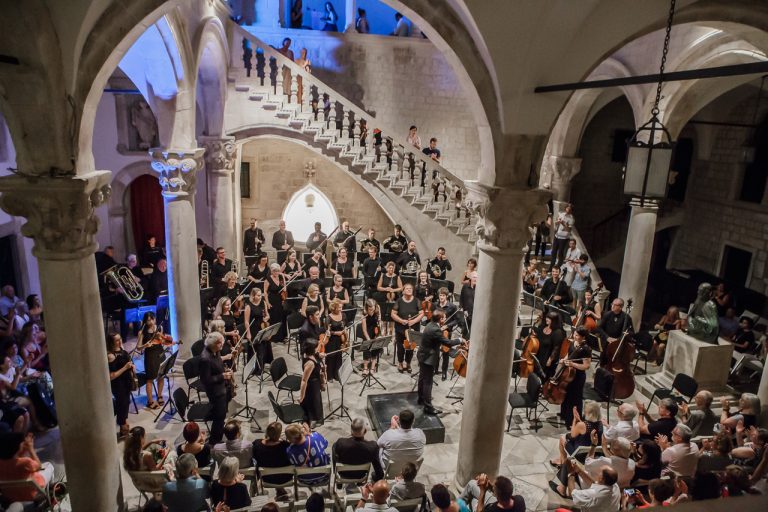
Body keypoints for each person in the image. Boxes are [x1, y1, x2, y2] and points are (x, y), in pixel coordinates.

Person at [417, 309, 461, 415]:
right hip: (428, 358)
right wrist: (460, 340)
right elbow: (448, 343)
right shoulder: (436, 330)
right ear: (440, 319)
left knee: (422, 378)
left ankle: (421, 399)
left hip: (422, 355)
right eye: (444, 317)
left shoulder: (430, 325)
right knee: (428, 382)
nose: (445, 319)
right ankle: (428, 407)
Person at [0, 432, 55, 502]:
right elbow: (38, 466)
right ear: (18, 447)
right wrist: (30, 448)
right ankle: (50, 489)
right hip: (31, 494)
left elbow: (13, 461)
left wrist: (20, 451)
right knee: (49, 465)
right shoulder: (25, 462)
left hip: (11, 495)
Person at [199, 332, 233, 445]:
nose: (222, 345)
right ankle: (215, 440)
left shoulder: (215, 351)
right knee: (219, 417)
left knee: (221, 414)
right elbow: (206, 380)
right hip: (215, 392)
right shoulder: (205, 359)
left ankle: (219, 430)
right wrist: (222, 376)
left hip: (222, 387)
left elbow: (218, 365)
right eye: (219, 343)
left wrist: (225, 371)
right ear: (213, 344)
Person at [559, 327, 593, 427]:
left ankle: (573, 421)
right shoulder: (573, 342)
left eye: (577, 335)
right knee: (566, 395)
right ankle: (565, 415)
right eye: (574, 334)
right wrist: (564, 360)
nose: (574, 336)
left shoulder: (586, 349)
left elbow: (586, 366)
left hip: (578, 377)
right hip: (568, 373)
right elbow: (569, 355)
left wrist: (572, 364)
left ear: (583, 337)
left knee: (575, 399)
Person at [333, 417, 384, 482]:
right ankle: (360, 483)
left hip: (343, 474)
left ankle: (335, 472)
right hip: (361, 475)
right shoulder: (373, 446)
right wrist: (375, 476)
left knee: (334, 446)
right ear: (365, 431)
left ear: (351, 431)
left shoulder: (341, 443)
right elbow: (379, 472)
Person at [106, 333, 135, 438]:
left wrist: (132, 366)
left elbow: (127, 361)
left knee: (126, 404)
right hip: (119, 385)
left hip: (126, 382)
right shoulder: (110, 356)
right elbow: (111, 376)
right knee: (122, 406)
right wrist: (125, 368)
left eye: (120, 339)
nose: (120, 341)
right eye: (117, 340)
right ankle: (123, 429)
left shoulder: (121, 349)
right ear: (111, 342)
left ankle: (124, 426)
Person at [252, 421, 292, 495]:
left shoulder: (257, 445)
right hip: (286, 477)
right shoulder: (286, 446)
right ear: (279, 434)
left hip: (267, 478)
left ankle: (279, 489)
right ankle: (280, 488)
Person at [391, 283, 423, 373]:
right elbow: (393, 314)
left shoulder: (417, 301)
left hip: (413, 328)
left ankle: (408, 363)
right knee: (400, 347)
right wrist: (401, 320)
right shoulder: (399, 301)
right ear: (403, 291)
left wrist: (414, 321)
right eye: (407, 288)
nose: (409, 290)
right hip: (400, 328)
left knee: (411, 346)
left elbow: (421, 313)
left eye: (411, 289)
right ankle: (400, 363)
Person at [136, 311, 165, 410]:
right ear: (145, 321)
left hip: (160, 354)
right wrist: (145, 345)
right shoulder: (142, 332)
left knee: (161, 376)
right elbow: (138, 348)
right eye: (148, 320)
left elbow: (162, 341)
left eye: (152, 319)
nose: (151, 322)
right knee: (150, 378)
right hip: (150, 356)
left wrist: (166, 340)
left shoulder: (159, 328)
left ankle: (160, 395)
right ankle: (150, 401)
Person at [299, 340, 325, 424]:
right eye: (316, 347)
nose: (318, 347)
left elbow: (316, 353)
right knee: (312, 403)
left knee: (316, 402)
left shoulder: (308, 353)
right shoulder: (310, 363)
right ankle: (309, 422)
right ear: (311, 349)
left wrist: (319, 355)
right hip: (311, 386)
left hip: (315, 382)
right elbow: (304, 380)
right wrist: (301, 397)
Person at [536, 311, 566, 377]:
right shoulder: (543, 326)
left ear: (554, 321)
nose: (546, 319)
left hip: (547, 358)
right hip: (539, 355)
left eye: (549, 318)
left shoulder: (558, 332)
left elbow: (556, 348)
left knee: (544, 377)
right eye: (547, 317)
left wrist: (550, 360)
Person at [264, 263, 287, 343]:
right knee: (274, 318)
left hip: (280, 299)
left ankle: (281, 337)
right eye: (274, 271)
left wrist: (284, 290)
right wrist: (267, 303)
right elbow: (265, 292)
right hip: (272, 300)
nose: (276, 273)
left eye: (277, 271)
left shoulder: (281, 276)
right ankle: (273, 337)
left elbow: (284, 287)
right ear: (271, 271)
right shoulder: (268, 279)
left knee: (281, 318)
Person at [361, 299, 382, 375]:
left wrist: (379, 334)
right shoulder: (364, 314)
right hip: (367, 332)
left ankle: (373, 367)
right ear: (367, 308)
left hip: (375, 332)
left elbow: (379, 322)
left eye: (373, 308)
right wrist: (369, 340)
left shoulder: (377, 309)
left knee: (375, 350)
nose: (372, 310)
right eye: (370, 309)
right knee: (367, 350)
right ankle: (365, 368)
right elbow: (364, 330)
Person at [550, 203, 574, 271]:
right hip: (557, 235)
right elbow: (556, 222)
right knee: (553, 252)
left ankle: (558, 267)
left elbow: (569, 229)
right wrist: (558, 222)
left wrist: (563, 223)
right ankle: (551, 266)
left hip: (564, 238)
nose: (568, 210)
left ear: (571, 210)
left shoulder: (571, 218)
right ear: (565, 208)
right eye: (567, 208)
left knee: (560, 253)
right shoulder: (561, 214)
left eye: (569, 209)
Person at [460, 271, 477, 335]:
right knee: (465, 331)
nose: (475, 279)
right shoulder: (465, 286)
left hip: (475, 313)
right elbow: (461, 298)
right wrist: (463, 309)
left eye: (477, 277)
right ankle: (463, 343)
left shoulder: (479, 288)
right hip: (466, 312)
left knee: (472, 331)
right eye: (474, 277)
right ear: (471, 278)